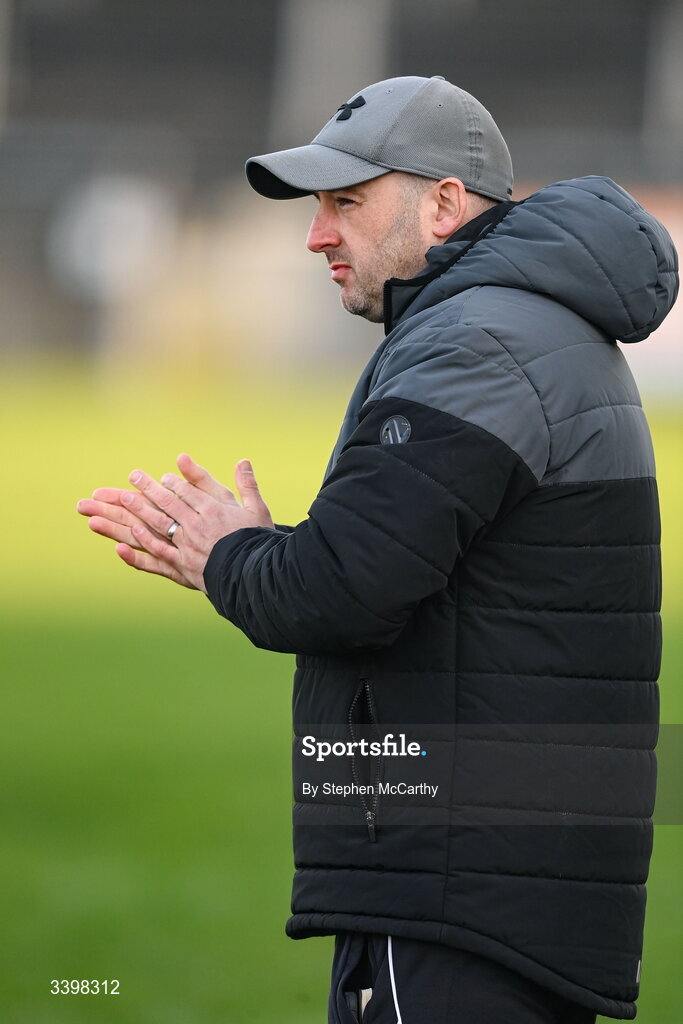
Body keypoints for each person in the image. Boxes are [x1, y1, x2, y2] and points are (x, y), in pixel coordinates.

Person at [77, 75, 678, 1022]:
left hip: (454, 884)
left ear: (443, 201)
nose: (318, 235)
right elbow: (412, 569)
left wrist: (225, 556)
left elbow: (342, 593)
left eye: (347, 203)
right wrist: (253, 552)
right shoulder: (519, 324)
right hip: (503, 875)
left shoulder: (479, 340)